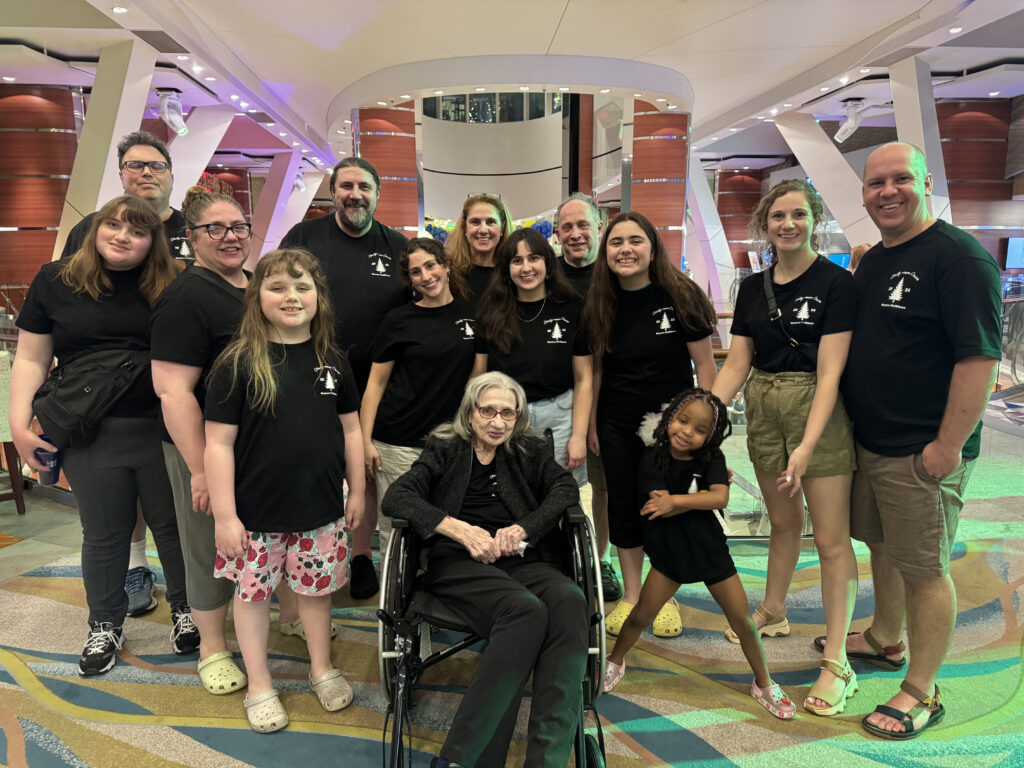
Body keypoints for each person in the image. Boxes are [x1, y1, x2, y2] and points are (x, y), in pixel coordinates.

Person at [832, 143, 1001, 739]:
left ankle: (922, 690)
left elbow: (980, 359)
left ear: (927, 183)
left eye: (902, 178)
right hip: (874, 442)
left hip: (923, 451)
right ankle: (885, 635)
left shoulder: (959, 259)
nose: (888, 191)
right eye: (876, 182)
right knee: (883, 544)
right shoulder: (876, 259)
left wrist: (947, 447)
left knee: (926, 567)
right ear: (863, 193)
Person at [10, 195, 197, 676]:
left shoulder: (175, 283)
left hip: (165, 429)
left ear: (153, 240)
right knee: (105, 535)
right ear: (95, 228)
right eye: (112, 224)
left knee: (174, 530)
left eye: (136, 231)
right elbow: (31, 359)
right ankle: (105, 623)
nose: (122, 236)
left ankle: (186, 611)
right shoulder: (56, 280)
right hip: (90, 432)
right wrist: (18, 425)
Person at [382, 372, 588, 768]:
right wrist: (456, 528)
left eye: (507, 413)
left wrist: (525, 527)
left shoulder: (527, 448)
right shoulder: (445, 447)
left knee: (569, 599)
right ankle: (465, 758)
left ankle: (547, 760)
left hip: (523, 559)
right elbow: (398, 497)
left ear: (517, 417)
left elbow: (565, 489)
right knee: (525, 611)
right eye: (488, 410)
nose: (497, 422)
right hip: (460, 562)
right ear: (470, 413)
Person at [712, 179, 859, 716]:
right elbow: (736, 363)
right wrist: (707, 412)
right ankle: (773, 610)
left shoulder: (837, 284)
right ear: (764, 223)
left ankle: (837, 658)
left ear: (813, 219)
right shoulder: (752, 288)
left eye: (798, 214)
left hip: (814, 408)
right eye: (778, 216)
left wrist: (807, 447)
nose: (788, 224)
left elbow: (830, 375)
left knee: (831, 538)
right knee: (781, 522)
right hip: (764, 404)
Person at [205, 248, 364, 733]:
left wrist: (356, 491)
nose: (291, 296)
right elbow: (218, 443)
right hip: (254, 515)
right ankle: (259, 683)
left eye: (302, 287)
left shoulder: (332, 360)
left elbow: (352, 430)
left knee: (316, 597)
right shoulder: (237, 362)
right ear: (258, 297)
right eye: (277, 287)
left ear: (319, 298)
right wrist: (226, 516)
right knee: (252, 597)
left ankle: (321, 668)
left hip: (319, 509)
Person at [60, 130, 192, 617]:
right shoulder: (90, 232)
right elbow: (68, 306)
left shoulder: (191, 228)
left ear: (171, 175)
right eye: (135, 166)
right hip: (105, 399)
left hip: (175, 387)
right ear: (121, 176)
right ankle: (136, 566)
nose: (146, 174)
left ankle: (188, 597)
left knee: (172, 503)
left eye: (155, 165)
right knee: (116, 504)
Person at [602, 390, 795, 720]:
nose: (686, 431)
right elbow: (658, 503)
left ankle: (764, 684)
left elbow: (718, 498)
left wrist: (678, 502)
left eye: (700, 429)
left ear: (711, 437)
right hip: (670, 558)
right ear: (670, 418)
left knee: (744, 623)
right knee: (639, 617)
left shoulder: (712, 459)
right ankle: (614, 662)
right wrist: (700, 495)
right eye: (683, 420)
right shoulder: (652, 457)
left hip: (711, 554)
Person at [583, 211, 717, 639]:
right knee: (623, 505)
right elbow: (597, 373)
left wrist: (704, 423)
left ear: (653, 247)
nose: (626, 250)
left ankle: (665, 595)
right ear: (606, 254)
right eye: (616, 243)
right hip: (616, 423)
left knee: (663, 505)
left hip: (670, 429)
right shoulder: (601, 302)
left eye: (635, 241)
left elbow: (705, 364)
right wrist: (591, 427)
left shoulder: (680, 294)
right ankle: (631, 594)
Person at [281, 157, 409, 600]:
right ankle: (303, 549)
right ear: (333, 191)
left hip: (375, 381)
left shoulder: (397, 245)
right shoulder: (304, 237)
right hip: (307, 372)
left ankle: (359, 554)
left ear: (378, 194)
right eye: (347, 186)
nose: (355, 194)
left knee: (366, 470)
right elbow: (276, 290)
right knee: (309, 464)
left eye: (365, 187)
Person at [151, 187, 255, 695]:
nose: (230, 237)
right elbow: (174, 392)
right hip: (203, 448)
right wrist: (199, 470)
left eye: (238, 226)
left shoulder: (254, 287)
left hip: (251, 445)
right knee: (207, 544)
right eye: (216, 228)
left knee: (254, 539)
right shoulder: (186, 297)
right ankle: (213, 646)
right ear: (191, 238)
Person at [360, 238, 475, 549]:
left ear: (447, 266)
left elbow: (476, 383)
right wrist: (365, 441)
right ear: (409, 279)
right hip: (398, 442)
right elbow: (376, 384)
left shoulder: (471, 316)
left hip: (450, 444)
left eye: (431, 265)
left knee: (445, 530)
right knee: (397, 530)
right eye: (416, 271)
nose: (426, 276)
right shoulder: (398, 321)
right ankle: (394, 597)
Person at [474, 227, 592, 487]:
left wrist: (578, 436)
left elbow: (584, 379)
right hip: (504, 420)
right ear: (506, 270)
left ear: (548, 264)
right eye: (517, 261)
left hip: (560, 419)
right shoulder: (491, 312)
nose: (526, 268)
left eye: (533, 258)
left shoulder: (572, 308)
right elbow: (478, 378)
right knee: (510, 497)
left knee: (562, 500)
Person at [554, 193, 620, 602]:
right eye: (566, 228)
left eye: (583, 226)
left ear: (599, 228)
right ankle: (555, 558)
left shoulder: (615, 272)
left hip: (610, 395)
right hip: (558, 398)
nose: (575, 235)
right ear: (557, 235)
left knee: (605, 488)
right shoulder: (547, 275)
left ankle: (600, 558)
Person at [445, 193, 514, 303]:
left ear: (502, 228)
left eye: (491, 222)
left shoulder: (513, 274)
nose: (483, 230)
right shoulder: (449, 273)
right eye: (475, 222)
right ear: (465, 228)